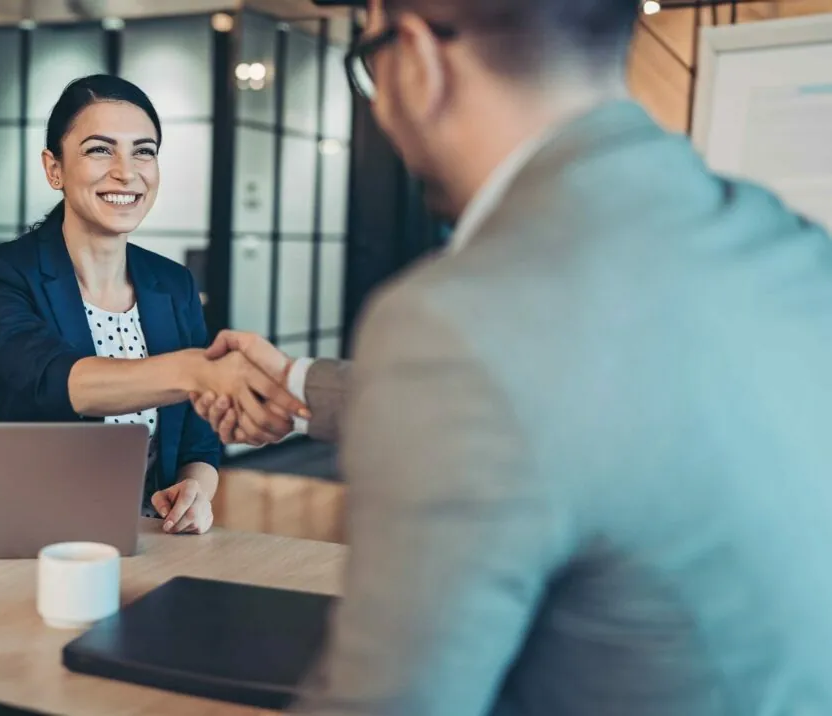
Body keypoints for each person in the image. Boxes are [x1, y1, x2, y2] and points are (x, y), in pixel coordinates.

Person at [194, 0, 832, 713]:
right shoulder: (792, 247)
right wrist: (295, 382)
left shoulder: (454, 319)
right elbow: (597, 401)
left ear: (415, 58)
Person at [0, 75, 306, 535]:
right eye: (100, 149)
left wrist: (194, 492)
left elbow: (199, 442)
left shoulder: (174, 283)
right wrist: (196, 370)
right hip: (42, 536)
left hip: (153, 540)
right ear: (54, 168)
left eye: (143, 151)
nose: (127, 171)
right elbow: (50, 381)